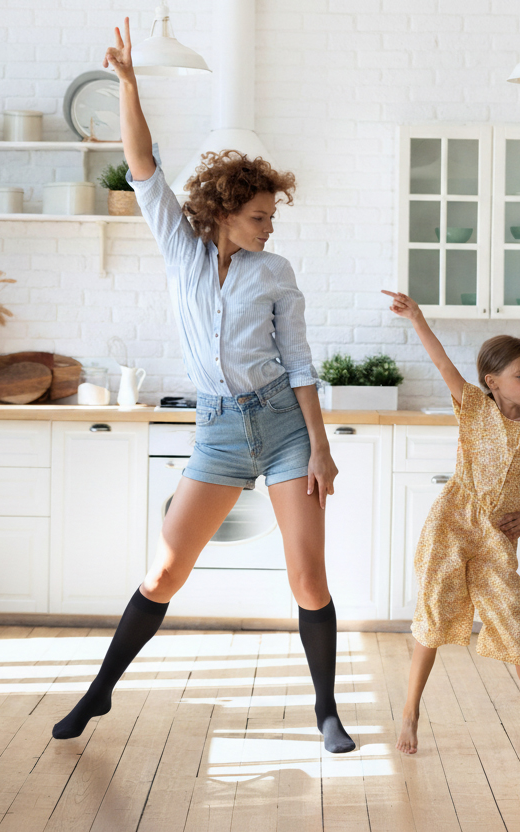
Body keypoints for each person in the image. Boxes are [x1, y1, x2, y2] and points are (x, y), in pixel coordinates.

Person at [52, 18, 355, 755]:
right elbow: (143, 163)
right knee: (163, 571)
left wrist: (320, 448)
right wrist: (128, 84)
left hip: (283, 427)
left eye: (272, 216)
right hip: (218, 432)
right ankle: (98, 694)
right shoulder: (182, 254)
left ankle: (326, 711)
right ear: (222, 213)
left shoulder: (274, 273)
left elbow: (302, 363)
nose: (267, 227)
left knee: (306, 577)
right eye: (257, 217)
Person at [382, 290, 520, 762]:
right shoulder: (473, 407)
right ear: (492, 381)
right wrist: (417, 317)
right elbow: (442, 360)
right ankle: (410, 712)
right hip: (451, 523)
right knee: (433, 614)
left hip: (495, 535)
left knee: (515, 621)